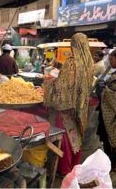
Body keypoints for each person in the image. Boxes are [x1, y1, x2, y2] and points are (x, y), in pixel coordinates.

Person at [44, 33, 94, 175]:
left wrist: (49, 82)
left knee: (65, 135)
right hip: (81, 105)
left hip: (67, 105)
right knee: (77, 135)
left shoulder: (71, 62)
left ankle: (65, 168)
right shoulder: (89, 62)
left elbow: (62, 86)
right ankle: (74, 165)